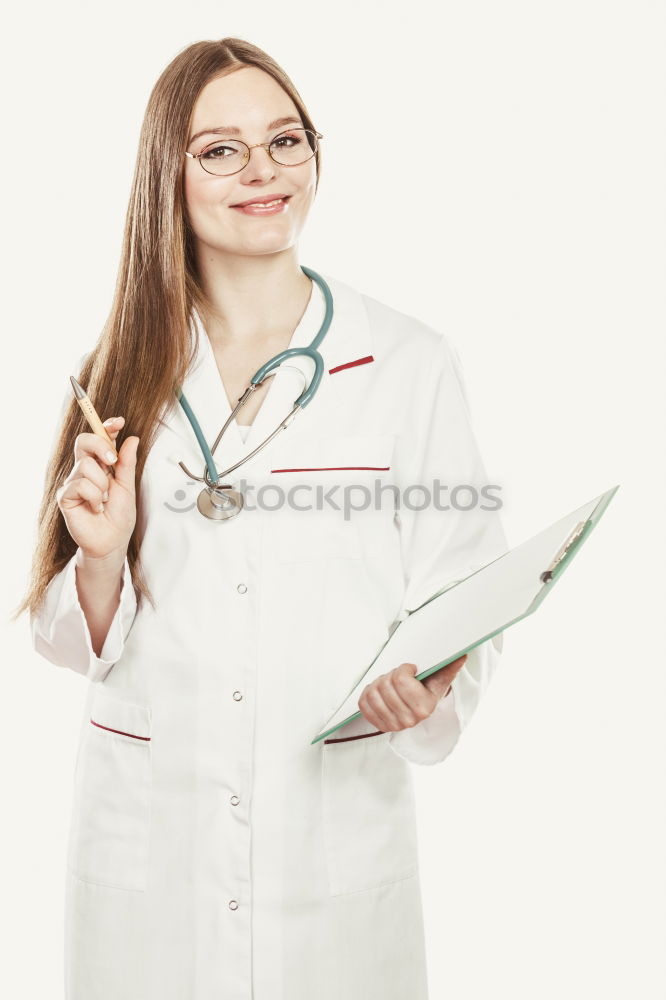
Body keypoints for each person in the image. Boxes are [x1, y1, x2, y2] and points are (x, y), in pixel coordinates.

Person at [17, 37, 508, 1000]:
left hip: (331, 843)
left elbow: (470, 591)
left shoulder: (407, 362)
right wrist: (103, 559)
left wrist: (434, 678)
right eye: (221, 150)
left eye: (286, 141)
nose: (264, 172)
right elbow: (62, 633)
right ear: (170, 174)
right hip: (153, 857)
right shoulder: (117, 369)